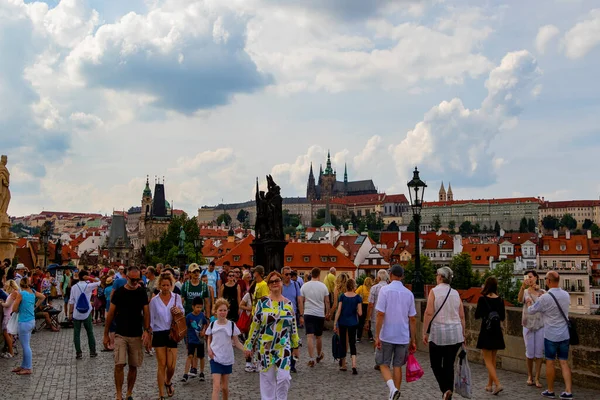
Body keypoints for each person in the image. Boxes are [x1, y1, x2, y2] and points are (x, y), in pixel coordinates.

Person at [245, 271, 300, 400]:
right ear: (268, 285)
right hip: (265, 346)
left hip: (283, 345)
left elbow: (293, 326)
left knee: (284, 378)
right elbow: (255, 325)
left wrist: (296, 345)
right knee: (267, 382)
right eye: (272, 281)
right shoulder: (262, 303)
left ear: (281, 283)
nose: (275, 283)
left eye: (277, 280)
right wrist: (249, 344)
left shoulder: (288, 304)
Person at [104, 266, 151, 400]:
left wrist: (147, 331)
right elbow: (111, 314)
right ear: (127, 277)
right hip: (121, 333)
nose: (135, 282)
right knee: (119, 364)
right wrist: (106, 334)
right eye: (133, 279)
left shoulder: (142, 292)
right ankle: (119, 394)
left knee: (133, 365)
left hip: (136, 334)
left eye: (138, 279)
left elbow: (146, 312)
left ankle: (129, 393)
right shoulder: (119, 293)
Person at [527, 271, 574, 399]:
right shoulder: (566, 295)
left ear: (548, 281)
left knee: (550, 362)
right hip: (564, 334)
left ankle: (551, 390)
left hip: (551, 335)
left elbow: (531, 311)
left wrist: (529, 303)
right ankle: (568, 391)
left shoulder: (545, 297)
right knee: (564, 362)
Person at [422, 267, 465, 400]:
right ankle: (448, 391)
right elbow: (462, 316)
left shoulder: (434, 291)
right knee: (449, 364)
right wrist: (463, 334)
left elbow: (429, 312)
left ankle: (445, 389)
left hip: (438, 333)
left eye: (437, 275)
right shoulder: (455, 293)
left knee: (435, 364)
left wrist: (424, 332)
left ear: (440, 277)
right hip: (455, 333)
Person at [374, 265, 416, 400]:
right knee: (397, 366)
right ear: (402, 276)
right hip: (402, 336)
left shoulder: (385, 291)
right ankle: (394, 395)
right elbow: (413, 319)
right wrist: (413, 339)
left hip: (387, 334)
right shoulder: (409, 293)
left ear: (390, 274)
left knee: (383, 363)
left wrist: (377, 335)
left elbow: (380, 314)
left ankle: (392, 389)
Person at [149, 272, 184, 399]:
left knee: (171, 366)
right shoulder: (154, 301)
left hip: (172, 332)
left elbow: (182, 312)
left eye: (167, 285)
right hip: (159, 333)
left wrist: (179, 311)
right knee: (161, 364)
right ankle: (161, 394)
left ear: (171, 285)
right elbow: (151, 320)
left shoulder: (176, 298)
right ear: (159, 285)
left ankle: (168, 381)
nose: (165, 287)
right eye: (163, 285)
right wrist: (148, 334)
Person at [207, 298, 245, 400]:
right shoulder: (212, 324)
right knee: (216, 386)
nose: (223, 312)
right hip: (215, 357)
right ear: (216, 311)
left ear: (227, 311)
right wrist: (209, 349)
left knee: (224, 387)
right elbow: (209, 337)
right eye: (220, 310)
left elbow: (236, 342)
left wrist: (245, 349)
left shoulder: (232, 325)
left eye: (224, 310)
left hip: (227, 357)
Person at [475, 276, 506, 395]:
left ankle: (497, 384)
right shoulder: (500, 300)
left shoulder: (483, 299)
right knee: (492, 360)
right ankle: (489, 385)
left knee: (487, 360)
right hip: (497, 331)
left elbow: (477, 315)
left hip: (486, 331)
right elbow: (502, 317)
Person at [11, 277, 46, 375]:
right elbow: (43, 297)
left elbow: (14, 308)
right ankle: (24, 365)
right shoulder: (33, 292)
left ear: (20, 285)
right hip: (31, 321)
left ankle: (28, 367)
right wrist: (35, 305)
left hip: (23, 322)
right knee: (26, 344)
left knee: (25, 346)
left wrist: (18, 309)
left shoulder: (21, 294)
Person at [518, 270, 545, 389]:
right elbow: (519, 300)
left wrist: (539, 291)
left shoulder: (543, 292)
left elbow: (547, 304)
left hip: (540, 324)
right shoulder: (525, 291)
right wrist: (522, 287)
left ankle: (538, 378)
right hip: (528, 324)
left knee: (539, 353)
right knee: (529, 352)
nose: (529, 279)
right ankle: (530, 376)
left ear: (536, 278)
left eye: (530, 277)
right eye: (527, 277)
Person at [300, 267, 330, 367]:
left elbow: (301, 300)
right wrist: (328, 312)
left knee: (309, 336)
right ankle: (318, 355)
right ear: (319, 275)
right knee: (319, 337)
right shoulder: (323, 286)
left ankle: (311, 358)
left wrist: (301, 312)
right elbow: (327, 301)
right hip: (319, 313)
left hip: (308, 312)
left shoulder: (305, 286)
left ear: (311, 274)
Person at [68, 269, 101, 359]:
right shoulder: (89, 286)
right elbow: (100, 282)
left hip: (76, 312)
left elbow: (71, 301)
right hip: (87, 312)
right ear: (85, 277)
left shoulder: (74, 287)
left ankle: (78, 353)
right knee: (90, 332)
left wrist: (70, 313)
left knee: (76, 334)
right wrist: (90, 278)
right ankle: (92, 351)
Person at [333, 278, 362, 374]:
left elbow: (339, 310)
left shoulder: (342, 296)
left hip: (343, 322)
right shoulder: (358, 297)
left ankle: (344, 364)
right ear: (354, 286)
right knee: (352, 343)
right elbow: (360, 313)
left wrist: (335, 322)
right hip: (353, 322)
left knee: (343, 343)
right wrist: (356, 311)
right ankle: (354, 365)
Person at [281, 266, 304, 373]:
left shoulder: (295, 285)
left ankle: (292, 364)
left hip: (293, 317)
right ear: (282, 275)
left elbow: (299, 301)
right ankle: (283, 361)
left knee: (294, 340)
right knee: (282, 340)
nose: (289, 276)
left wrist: (302, 316)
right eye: (286, 274)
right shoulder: (279, 286)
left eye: (290, 274)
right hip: (280, 317)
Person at [181, 296, 209, 383]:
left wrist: (204, 330)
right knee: (190, 356)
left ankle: (201, 372)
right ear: (193, 306)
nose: (199, 309)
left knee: (201, 357)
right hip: (191, 340)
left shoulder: (202, 315)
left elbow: (205, 323)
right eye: (197, 307)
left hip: (200, 340)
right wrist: (186, 340)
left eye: (201, 307)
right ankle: (185, 374)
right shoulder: (189, 316)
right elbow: (185, 328)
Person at [367, 269, 390, 357]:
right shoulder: (389, 288)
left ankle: (377, 358)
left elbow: (370, 304)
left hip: (375, 317)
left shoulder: (374, 288)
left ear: (379, 277)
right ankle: (385, 358)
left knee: (376, 337)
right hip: (388, 318)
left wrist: (367, 319)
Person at [1, 279, 19, 358]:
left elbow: (8, 305)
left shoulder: (13, 294)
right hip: (10, 315)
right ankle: (11, 350)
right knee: (9, 333)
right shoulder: (14, 293)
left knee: (6, 333)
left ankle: (11, 351)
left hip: (8, 315)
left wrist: (1, 303)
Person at [355, 276, 373, 343]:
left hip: (363, 305)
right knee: (369, 321)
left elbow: (355, 294)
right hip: (370, 305)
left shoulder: (361, 287)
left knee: (360, 322)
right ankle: (370, 336)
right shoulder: (372, 288)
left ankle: (359, 337)